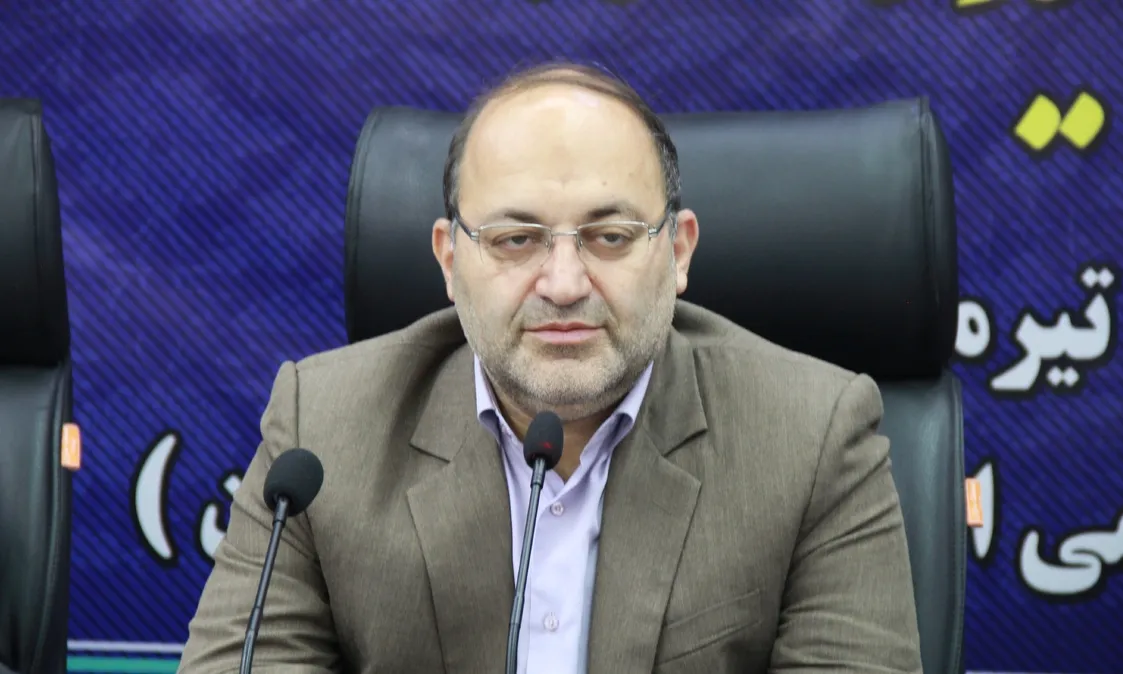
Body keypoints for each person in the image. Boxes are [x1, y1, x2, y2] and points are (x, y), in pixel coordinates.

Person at [178, 62, 922, 674]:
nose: (563, 284)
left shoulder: (812, 438)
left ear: (678, 251)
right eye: (515, 240)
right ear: (449, 260)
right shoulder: (322, 429)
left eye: (610, 236)